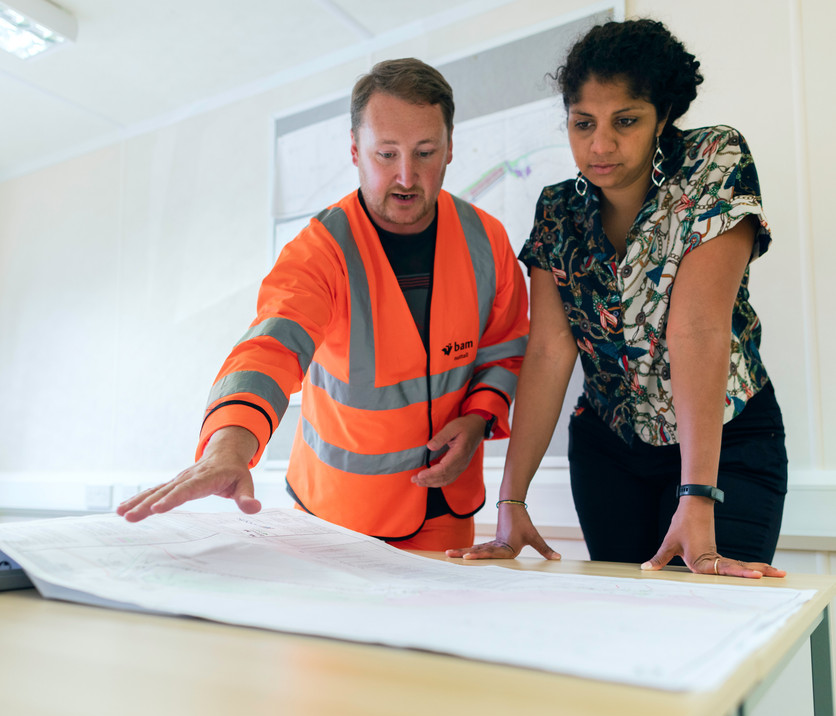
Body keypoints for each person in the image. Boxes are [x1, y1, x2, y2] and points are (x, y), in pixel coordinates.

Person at [118, 58, 530, 552]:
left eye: (425, 152)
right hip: (338, 518)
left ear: (449, 150)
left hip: (446, 507)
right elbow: (271, 347)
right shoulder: (319, 250)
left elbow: (503, 350)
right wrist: (228, 447)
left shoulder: (488, 240)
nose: (406, 175)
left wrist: (479, 416)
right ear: (355, 150)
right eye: (385, 154)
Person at [446, 19, 788, 579]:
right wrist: (511, 503)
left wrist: (697, 494)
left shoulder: (712, 162)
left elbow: (697, 328)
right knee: (628, 634)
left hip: (725, 445)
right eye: (583, 124)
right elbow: (551, 351)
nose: (600, 145)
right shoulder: (558, 210)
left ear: (663, 117)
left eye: (625, 121)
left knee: (708, 624)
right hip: (609, 454)